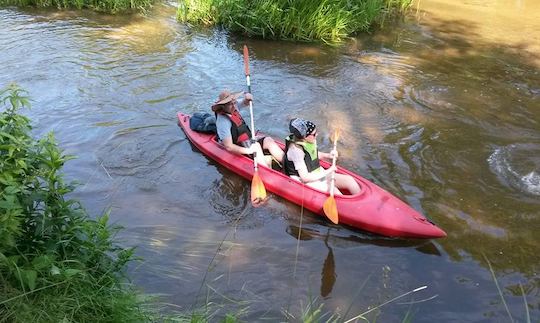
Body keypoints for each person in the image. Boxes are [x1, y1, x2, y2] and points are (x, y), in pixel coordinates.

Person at [283, 118, 361, 195]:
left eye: (316, 132)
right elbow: (305, 177)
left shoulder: (309, 140)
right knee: (334, 190)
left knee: (349, 180)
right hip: (304, 181)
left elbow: (312, 155)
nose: (317, 134)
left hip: (317, 173)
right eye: (314, 134)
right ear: (304, 137)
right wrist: (329, 170)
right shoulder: (296, 151)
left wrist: (328, 155)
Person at [211, 90, 284, 167]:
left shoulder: (232, 106)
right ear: (223, 106)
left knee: (268, 140)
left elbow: (245, 102)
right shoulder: (223, 122)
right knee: (256, 146)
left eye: (234, 102)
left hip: (247, 140)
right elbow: (229, 146)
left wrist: (247, 98)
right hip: (238, 145)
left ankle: (288, 165)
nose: (233, 105)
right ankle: (266, 170)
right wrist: (249, 150)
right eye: (230, 104)